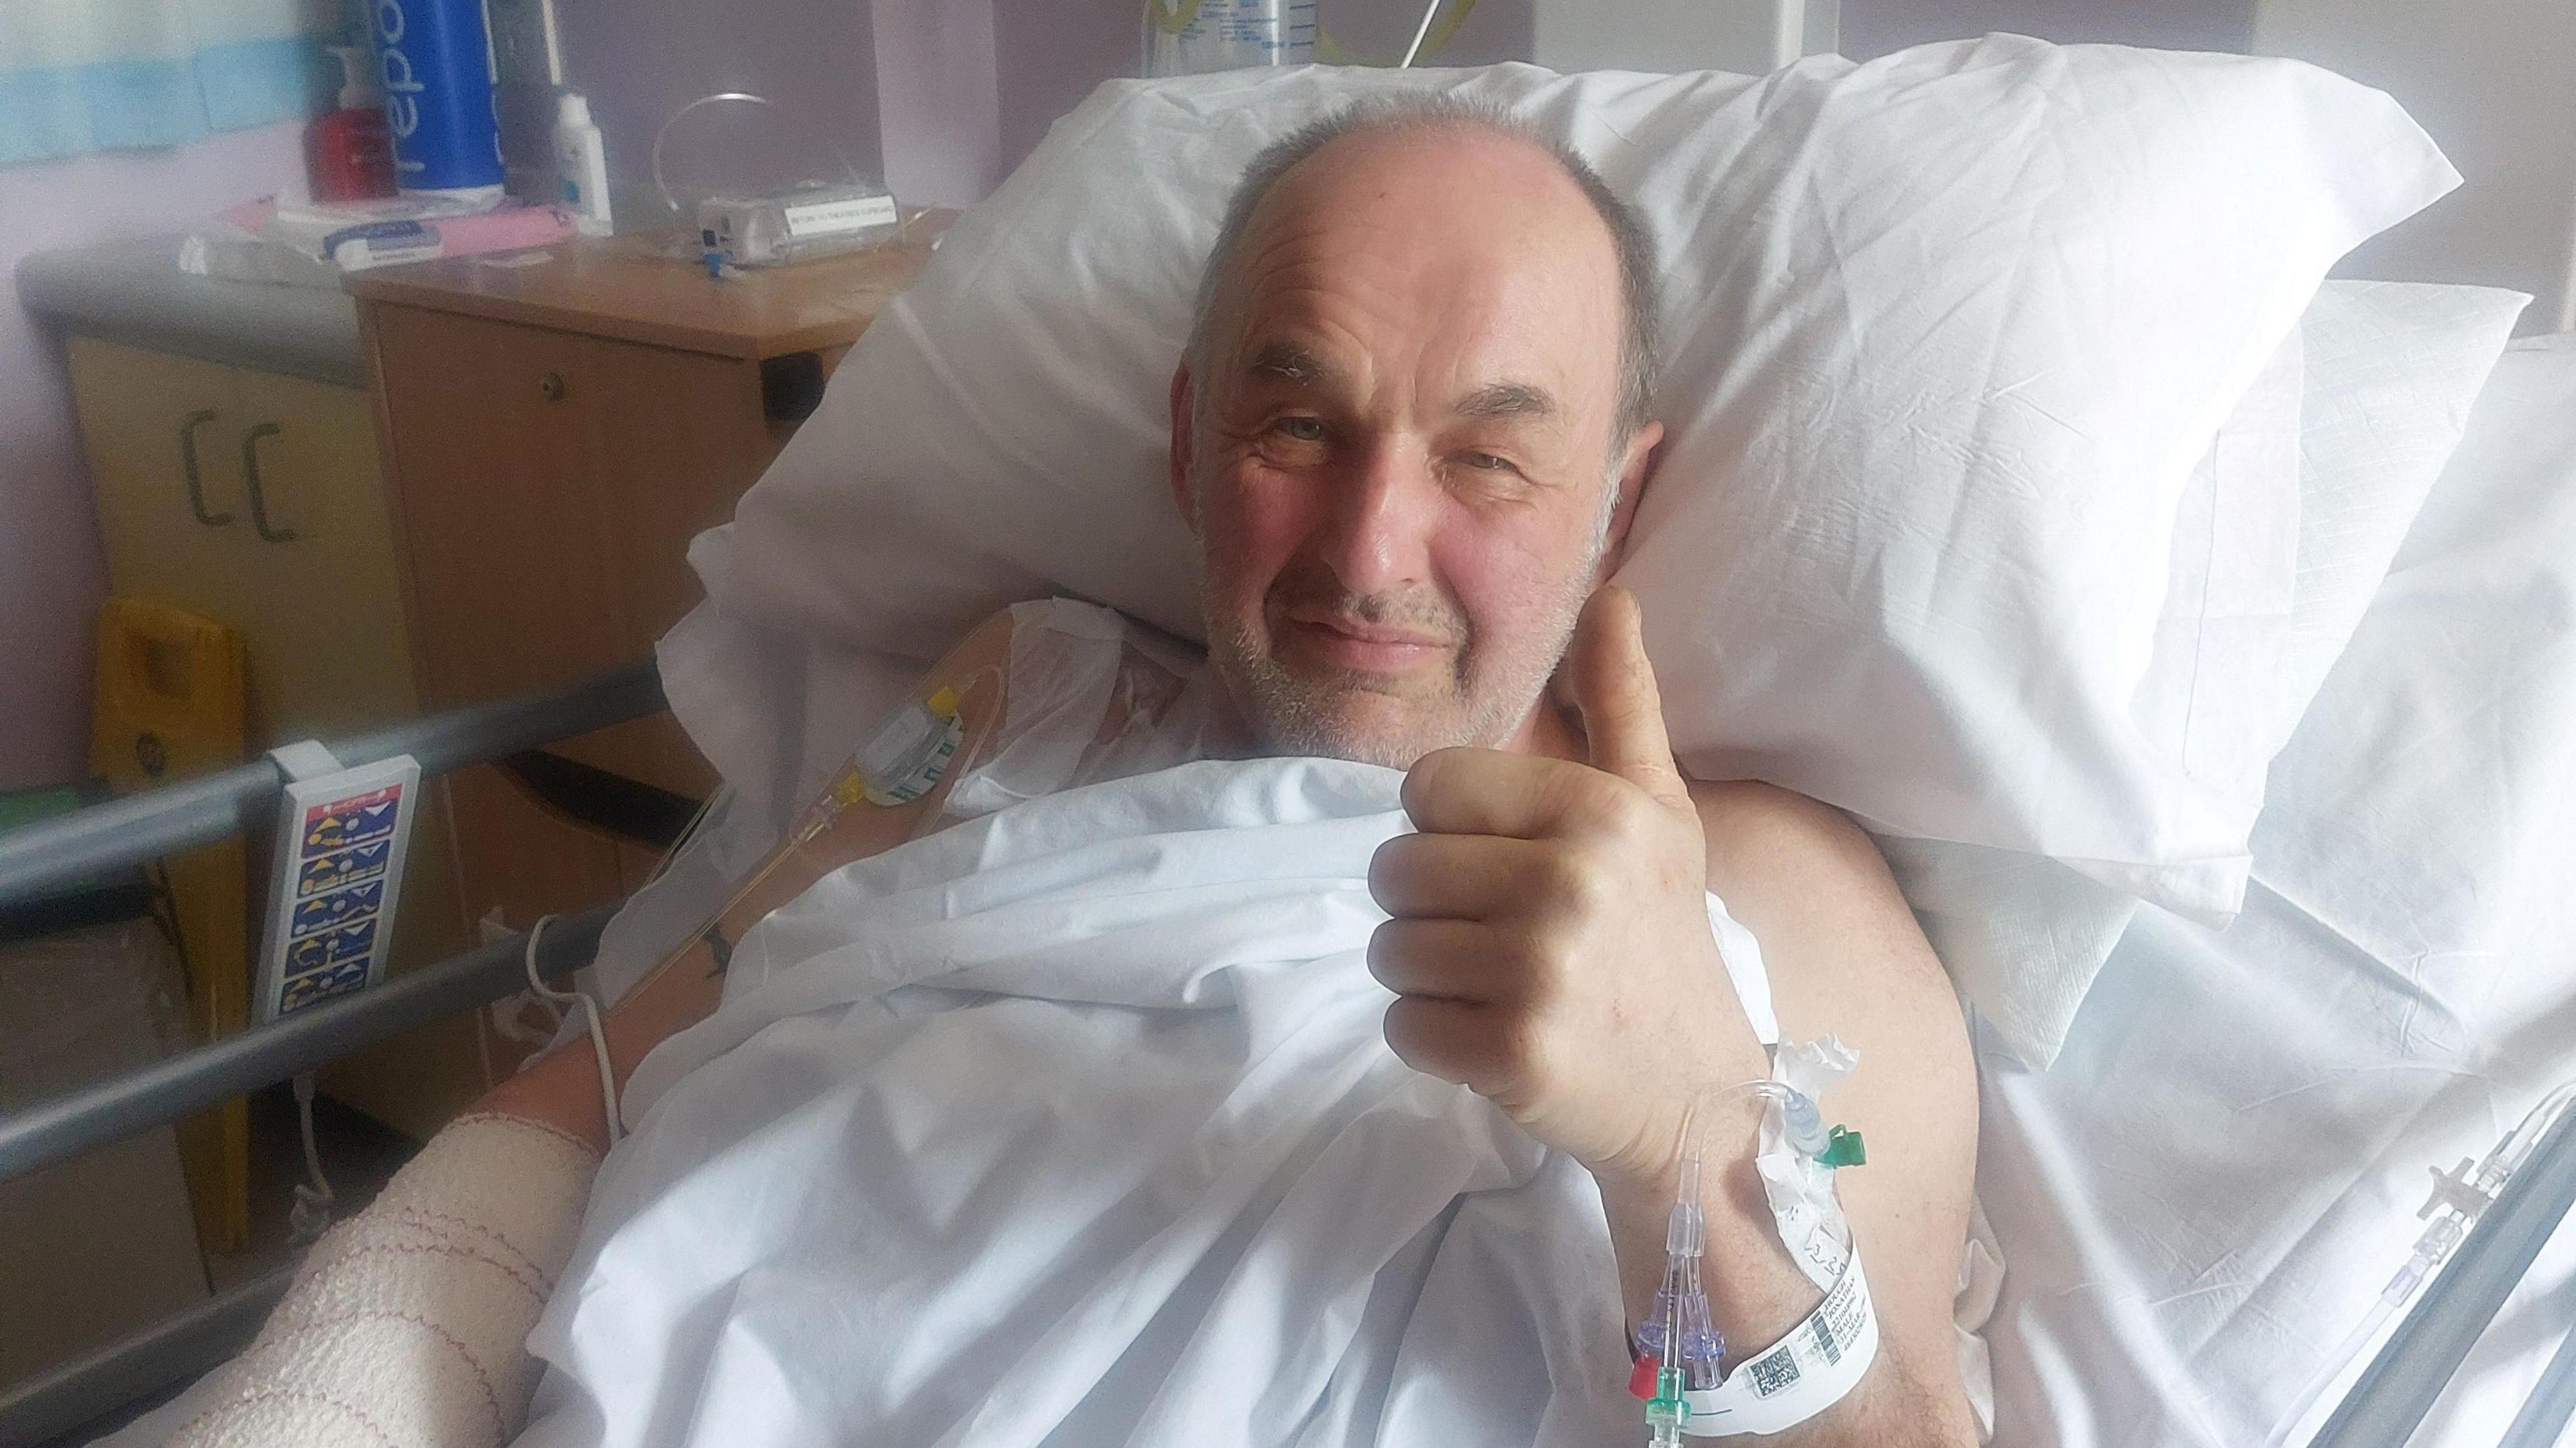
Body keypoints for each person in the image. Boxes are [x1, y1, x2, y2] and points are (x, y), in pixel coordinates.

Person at [207, 96, 1982, 1448]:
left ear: (1620, 496)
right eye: (1301, 425)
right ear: (1192, 435)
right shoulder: (1026, 696)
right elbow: (606, 1079)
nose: (1369, 550)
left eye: (1492, 462)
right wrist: (328, 1393)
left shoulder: (1763, 898)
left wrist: (1689, 1141)